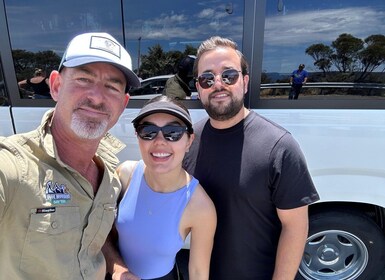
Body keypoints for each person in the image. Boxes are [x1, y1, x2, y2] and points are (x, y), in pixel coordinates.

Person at [0, 32, 140, 280]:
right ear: (55, 86)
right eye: (84, 79)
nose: (97, 96)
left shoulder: (109, 171)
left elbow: (89, 235)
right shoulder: (13, 165)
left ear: (123, 103)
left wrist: (118, 269)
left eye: (111, 86)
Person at [183, 36, 320, 280]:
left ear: (245, 83)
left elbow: (295, 227)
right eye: (207, 78)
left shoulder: (279, 146)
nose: (218, 84)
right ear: (198, 87)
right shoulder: (190, 141)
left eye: (229, 75)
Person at [103, 95, 217, 280]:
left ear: (189, 141)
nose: (160, 141)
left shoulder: (200, 207)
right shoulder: (125, 175)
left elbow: (198, 273)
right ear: (137, 137)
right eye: (148, 131)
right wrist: (118, 270)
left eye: (173, 132)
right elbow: (103, 235)